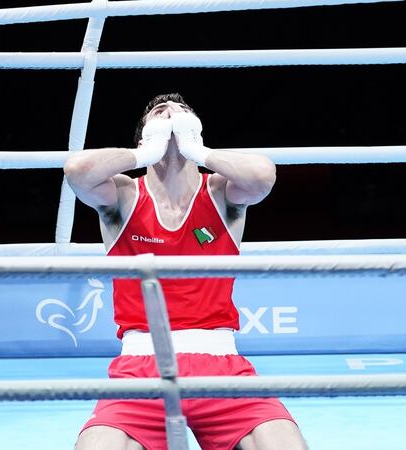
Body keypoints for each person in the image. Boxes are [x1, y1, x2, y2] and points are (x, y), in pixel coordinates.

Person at [64, 93, 307, 450]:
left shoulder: (221, 194)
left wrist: (199, 151)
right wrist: (145, 155)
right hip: (139, 370)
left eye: (182, 114)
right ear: (144, 137)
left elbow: (262, 176)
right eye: (161, 115)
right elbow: (77, 171)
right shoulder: (124, 196)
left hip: (222, 367)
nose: (172, 119)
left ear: (196, 132)